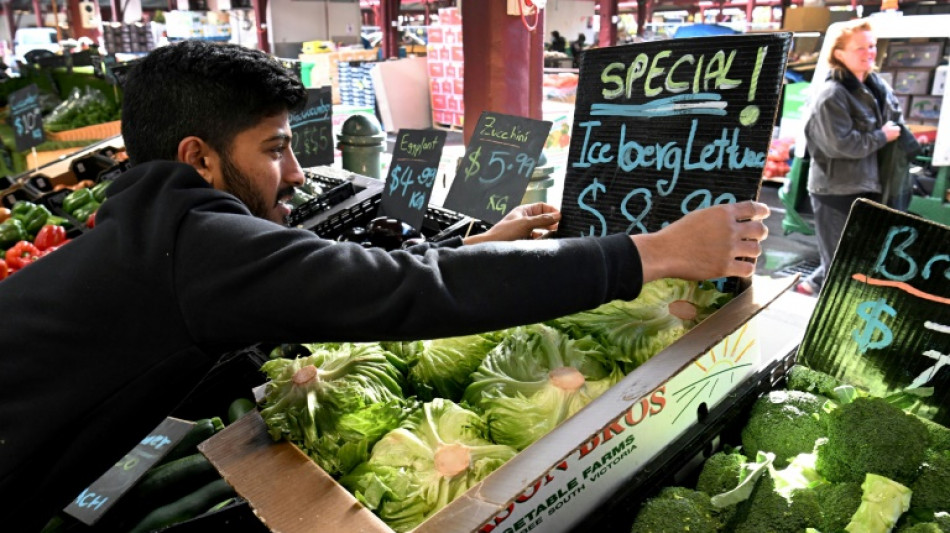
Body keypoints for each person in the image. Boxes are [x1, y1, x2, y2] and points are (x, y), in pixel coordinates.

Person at [0, 40, 769, 531]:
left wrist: (481, 247)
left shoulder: (152, 231)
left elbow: (313, 289)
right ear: (198, 157)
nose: (297, 172)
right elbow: (410, 289)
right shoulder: (189, 245)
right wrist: (653, 252)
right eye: (274, 148)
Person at [797, 19, 902, 296]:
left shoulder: (874, 87)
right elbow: (839, 145)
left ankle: (812, 285)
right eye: (860, 48)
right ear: (839, 54)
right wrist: (882, 136)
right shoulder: (832, 94)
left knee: (851, 253)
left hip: (865, 184)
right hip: (836, 190)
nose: (869, 52)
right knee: (841, 263)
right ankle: (824, 314)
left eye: (872, 46)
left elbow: (895, 118)